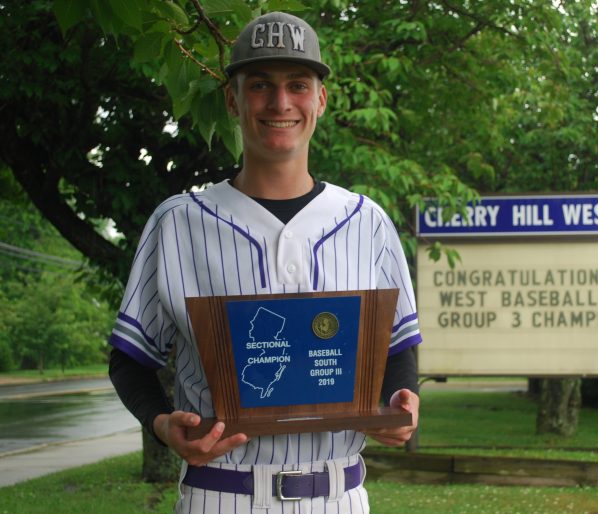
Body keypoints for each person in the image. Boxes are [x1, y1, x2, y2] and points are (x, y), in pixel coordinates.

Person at [107, 10, 422, 513]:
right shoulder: (178, 222)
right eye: (259, 85)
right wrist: (163, 423)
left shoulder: (368, 221)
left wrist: (402, 401)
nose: (280, 103)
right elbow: (130, 357)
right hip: (222, 494)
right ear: (232, 99)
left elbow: (398, 345)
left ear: (319, 98)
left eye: (298, 84)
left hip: (339, 495)